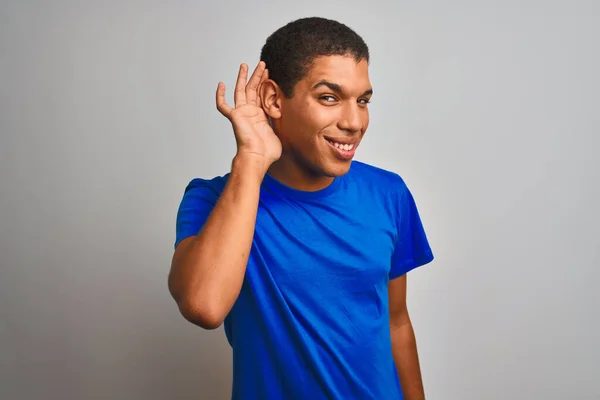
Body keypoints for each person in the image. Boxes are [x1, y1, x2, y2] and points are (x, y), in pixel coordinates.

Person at [168, 17, 434, 400]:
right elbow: (204, 306)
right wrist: (251, 159)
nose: (354, 122)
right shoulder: (212, 201)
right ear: (275, 100)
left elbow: (396, 322)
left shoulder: (387, 193)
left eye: (362, 101)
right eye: (329, 97)